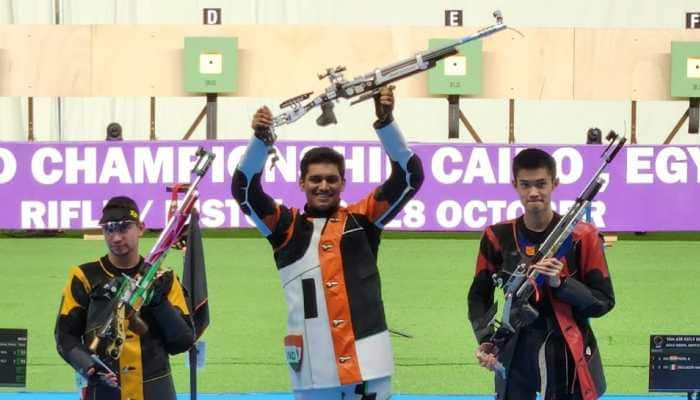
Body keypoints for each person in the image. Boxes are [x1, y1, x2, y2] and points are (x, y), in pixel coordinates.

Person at [231, 86, 423, 400]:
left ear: (343, 183)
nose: (323, 186)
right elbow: (244, 191)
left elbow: (409, 177)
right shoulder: (285, 227)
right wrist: (260, 141)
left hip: (369, 363)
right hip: (312, 369)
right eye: (315, 179)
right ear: (301, 183)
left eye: (331, 179)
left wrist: (386, 121)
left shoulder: (364, 219)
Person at [467, 148, 615, 400]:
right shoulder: (496, 236)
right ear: (514, 185)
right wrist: (487, 339)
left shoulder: (583, 235)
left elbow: (603, 302)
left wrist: (561, 283)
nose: (533, 192)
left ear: (555, 183)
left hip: (566, 349)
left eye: (541, 184)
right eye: (525, 185)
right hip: (514, 347)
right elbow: (478, 295)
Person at [55, 196, 195, 400]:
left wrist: (159, 303)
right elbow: (65, 337)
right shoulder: (84, 277)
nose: (116, 238)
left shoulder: (164, 279)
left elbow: (183, 341)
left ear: (141, 228)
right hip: (104, 388)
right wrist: (89, 366)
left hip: (156, 390)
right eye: (109, 229)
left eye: (123, 228)